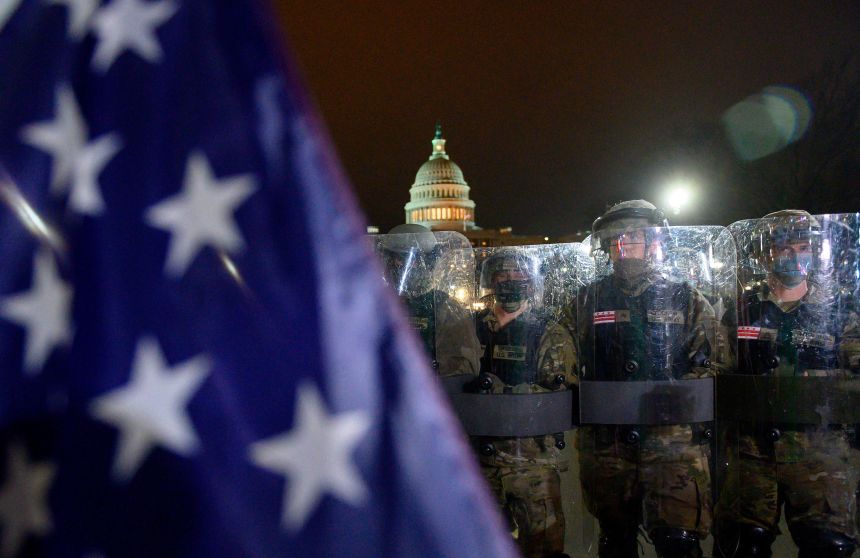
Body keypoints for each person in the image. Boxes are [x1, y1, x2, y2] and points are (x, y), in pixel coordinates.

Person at [542, 200, 718, 558]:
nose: (623, 245)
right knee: (615, 539)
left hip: (671, 442)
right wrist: (570, 384)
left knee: (678, 542)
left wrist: (679, 401)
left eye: (634, 236)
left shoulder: (686, 297)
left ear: (656, 242)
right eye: (616, 238)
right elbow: (558, 350)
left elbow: (714, 363)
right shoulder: (587, 299)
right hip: (608, 441)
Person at [714, 210, 860, 558]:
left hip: (819, 453)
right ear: (766, 255)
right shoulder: (742, 310)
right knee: (742, 544)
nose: (796, 257)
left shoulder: (840, 310)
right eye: (785, 249)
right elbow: (718, 370)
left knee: (828, 546)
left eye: (803, 247)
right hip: (753, 451)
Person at [472, 248, 573, 558]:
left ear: (531, 282)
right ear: (490, 281)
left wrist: (502, 395)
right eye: (502, 275)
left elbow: (558, 393)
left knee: (542, 547)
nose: (510, 281)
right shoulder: (470, 327)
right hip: (477, 461)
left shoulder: (548, 331)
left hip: (530, 462)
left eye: (518, 275)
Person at [379, 224, 480, 377]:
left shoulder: (446, 308)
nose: (397, 265)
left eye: (406, 259)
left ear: (427, 263)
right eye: (392, 259)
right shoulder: (378, 305)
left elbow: (463, 369)